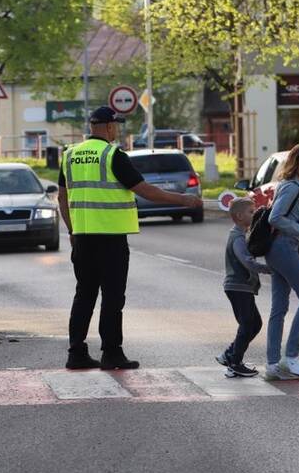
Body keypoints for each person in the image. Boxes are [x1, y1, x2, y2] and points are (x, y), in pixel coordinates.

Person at [58, 106, 204, 371]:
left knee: (84, 296)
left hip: (82, 239)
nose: (117, 130)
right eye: (116, 125)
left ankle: (76, 353)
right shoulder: (113, 155)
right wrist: (184, 199)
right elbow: (146, 191)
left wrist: (70, 230)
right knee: (112, 297)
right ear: (109, 127)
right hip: (110, 239)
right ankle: (111, 354)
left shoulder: (70, 155)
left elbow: (62, 197)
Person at [265, 143, 299, 381]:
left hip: (279, 249)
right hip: (284, 248)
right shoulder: (292, 188)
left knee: (279, 308)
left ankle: (273, 364)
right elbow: (275, 217)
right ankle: (291, 357)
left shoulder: (289, 186)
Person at [217, 196, 271, 377]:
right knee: (248, 324)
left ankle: (229, 354)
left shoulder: (241, 234)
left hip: (242, 287)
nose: (254, 214)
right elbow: (247, 262)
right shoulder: (238, 238)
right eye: (251, 211)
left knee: (255, 324)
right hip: (237, 287)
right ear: (239, 216)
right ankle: (235, 363)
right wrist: (269, 269)